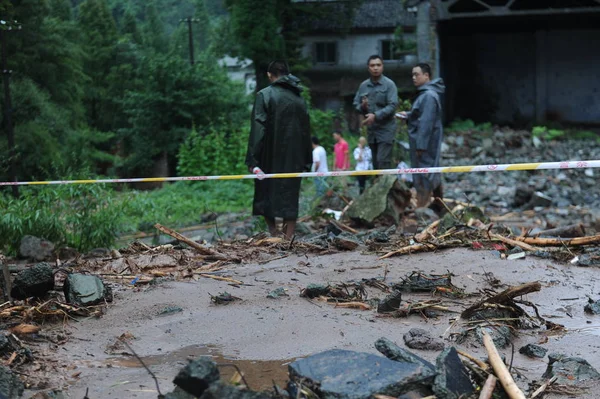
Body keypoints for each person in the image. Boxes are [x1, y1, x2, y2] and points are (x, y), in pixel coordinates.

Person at [245, 60, 312, 239]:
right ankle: (288, 238)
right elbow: (307, 131)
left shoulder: (264, 95)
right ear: (287, 74)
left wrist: (252, 159)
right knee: (291, 195)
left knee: (266, 193)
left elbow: (258, 128)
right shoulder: (299, 98)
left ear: (269, 75)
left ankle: (274, 234)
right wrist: (307, 159)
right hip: (295, 156)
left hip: (269, 154)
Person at [397, 63, 445, 208]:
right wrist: (409, 115)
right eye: (412, 74)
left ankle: (423, 208)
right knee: (431, 171)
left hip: (425, 143)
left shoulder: (429, 95)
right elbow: (421, 115)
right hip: (425, 142)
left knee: (424, 174)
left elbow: (426, 122)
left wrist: (421, 145)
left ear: (426, 76)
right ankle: (438, 206)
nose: (414, 77)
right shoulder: (425, 94)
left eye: (416, 74)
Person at [353, 55, 398, 170]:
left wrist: (376, 115)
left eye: (378, 65)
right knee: (375, 164)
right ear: (368, 68)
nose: (375, 68)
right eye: (372, 65)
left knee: (383, 160)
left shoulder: (389, 85)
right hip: (372, 131)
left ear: (382, 67)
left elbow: (392, 105)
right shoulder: (363, 86)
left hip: (386, 129)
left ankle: (386, 187)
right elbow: (355, 104)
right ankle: (381, 185)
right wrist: (362, 107)